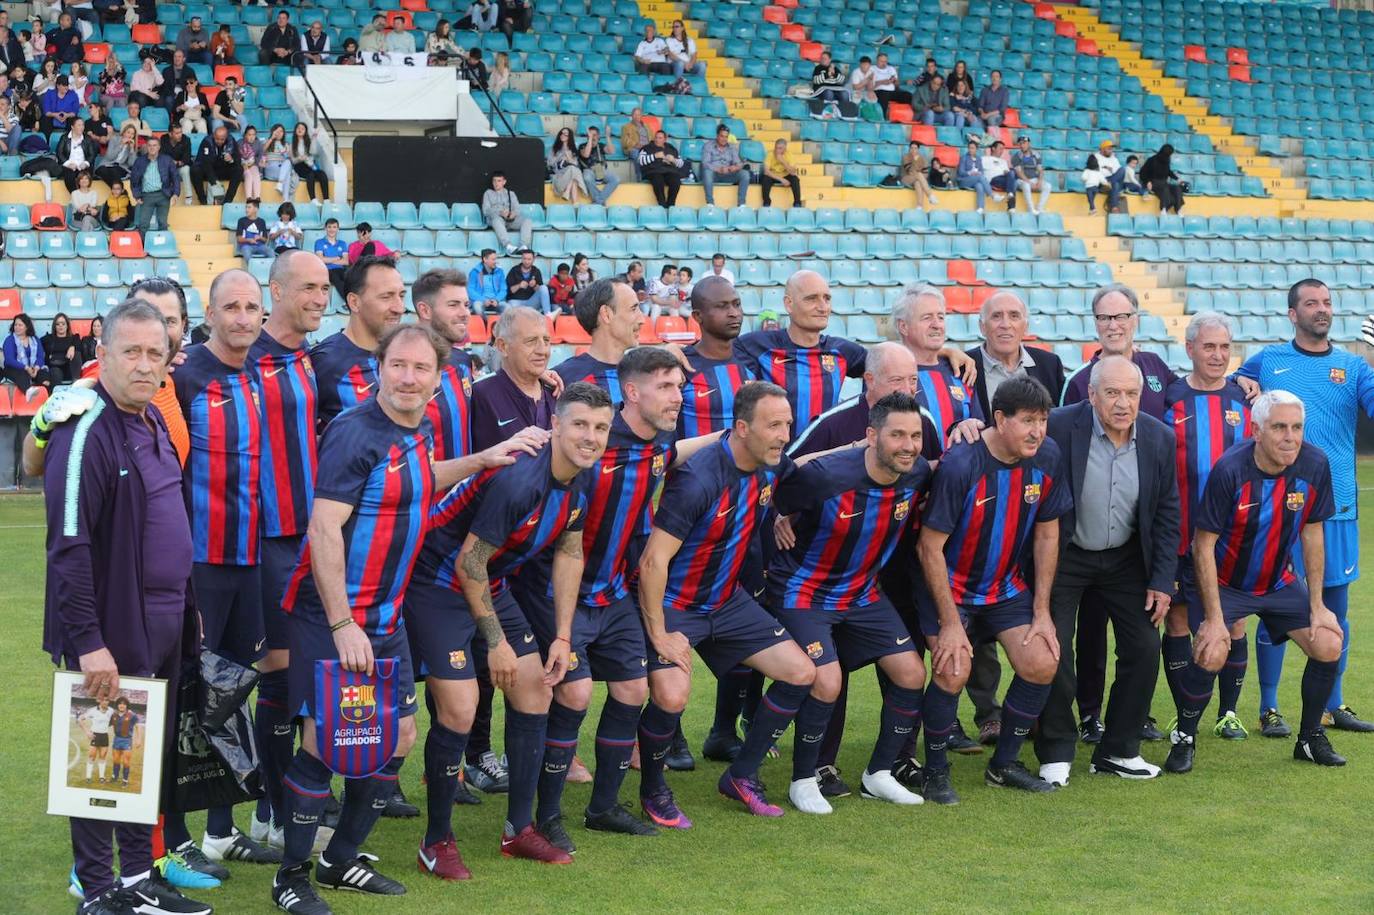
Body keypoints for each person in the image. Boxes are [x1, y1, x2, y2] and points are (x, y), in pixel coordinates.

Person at [40, 299, 212, 915]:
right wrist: (88, 640)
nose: (143, 365)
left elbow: (171, 521)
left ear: (169, 361)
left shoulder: (155, 421)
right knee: (102, 755)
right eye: (130, 352)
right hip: (113, 625)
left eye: (154, 353)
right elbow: (69, 544)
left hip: (164, 619)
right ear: (103, 355)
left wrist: (186, 606)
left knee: (144, 757)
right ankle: (97, 888)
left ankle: (138, 880)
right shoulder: (86, 427)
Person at [269, 324, 447, 912]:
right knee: (327, 742)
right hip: (333, 615)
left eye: (420, 368)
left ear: (437, 380)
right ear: (379, 368)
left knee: (396, 736)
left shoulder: (419, 429)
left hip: (386, 618)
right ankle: (291, 876)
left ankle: (340, 860)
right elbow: (323, 528)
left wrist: (484, 460)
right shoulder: (355, 431)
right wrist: (344, 623)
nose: (407, 377)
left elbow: (414, 485)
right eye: (397, 365)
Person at [410, 382, 610, 867]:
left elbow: (569, 550)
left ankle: (518, 829)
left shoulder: (584, 473)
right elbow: (468, 562)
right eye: (580, 424)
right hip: (435, 583)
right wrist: (496, 643)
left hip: (487, 583)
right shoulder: (520, 479)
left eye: (601, 428)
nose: (591, 437)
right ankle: (436, 843)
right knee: (460, 708)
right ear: (555, 424)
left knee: (535, 689)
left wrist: (562, 635)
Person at [637, 382, 818, 824]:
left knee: (800, 673)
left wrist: (857, 447)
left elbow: (810, 467)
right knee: (673, 696)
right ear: (741, 428)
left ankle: (741, 775)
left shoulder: (770, 463)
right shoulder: (698, 479)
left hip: (727, 603)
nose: (783, 434)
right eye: (773, 425)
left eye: (787, 424)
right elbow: (652, 559)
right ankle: (652, 789)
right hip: (678, 603)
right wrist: (659, 632)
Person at [162, 269, 279, 869]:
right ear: (210, 312)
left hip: (249, 559)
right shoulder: (184, 378)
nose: (241, 317)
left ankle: (220, 829)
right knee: (189, 695)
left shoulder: (260, 373)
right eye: (230, 306)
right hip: (199, 562)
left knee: (232, 693)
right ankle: (172, 835)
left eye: (251, 307)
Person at [1167, 391, 1347, 773]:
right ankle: (1185, 737)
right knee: (1213, 650)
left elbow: (1313, 533)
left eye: (1296, 427)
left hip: (1279, 583)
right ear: (1256, 431)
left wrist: (1317, 605)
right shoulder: (1230, 469)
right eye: (1279, 427)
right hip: (1225, 583)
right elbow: (1203, 545)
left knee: (1329, 642)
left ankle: (1309, 738)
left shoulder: (1315, 464)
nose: (1290, 437)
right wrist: (1214, 618)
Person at [773, 392, 933, 813]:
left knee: (912, 673)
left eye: (915, 435)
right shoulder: (826, 476)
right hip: (805, 591)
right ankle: (804, 780)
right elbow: (773, 489)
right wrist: (778, 517)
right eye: (897, 435)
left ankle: (878, 774)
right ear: (870, 436)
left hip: (862, 593)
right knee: (827, 681)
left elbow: (952, 467)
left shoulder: (916, 474)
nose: (908, 445)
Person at [916, 375, 1070, 801]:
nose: (1037, 431)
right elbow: (929, 548)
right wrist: (950, 623)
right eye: (1027, 421)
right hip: (950, 589)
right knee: (953, 668)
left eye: (1042, 420)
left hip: (1005, 589)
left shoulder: (1048, 457)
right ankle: (934, 770)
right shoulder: (962, 464)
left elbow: (1047, 535)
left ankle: (1003, 766)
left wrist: (1041, 611)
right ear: (999, 419)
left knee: (1041, 662)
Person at [1032, 356, 1181, 786]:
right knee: (1053, 647)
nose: (1123, 403)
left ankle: (1118, 750)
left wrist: (1161, 579)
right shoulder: (1059, 426)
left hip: (1126, 559)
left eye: (1131, 394)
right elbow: (1011, 435)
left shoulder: (1158, 438)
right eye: (1112, 393)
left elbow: (1168, 512)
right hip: (1064, 554)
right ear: (1092, 394)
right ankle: (1056, 749)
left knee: (1143, 648)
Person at [1241, 278, 1374, 735]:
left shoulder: (1353, 368)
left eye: (1328, 303)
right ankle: (1269, 706)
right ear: (1293, 314)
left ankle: (1333, 704)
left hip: (1335, 509)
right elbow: (1234, 387)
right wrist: (1242, 381)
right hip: (1279, 512)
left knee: (1335, 607)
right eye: (1312, 303)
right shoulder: (1268, 360)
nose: (1322, 309)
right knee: (1276, 606)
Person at [241, 250, 329, 850]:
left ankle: (297, 801)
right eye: (308, 288)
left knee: (304, 673)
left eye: (326, 288)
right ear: (275, 291)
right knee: (275, 674)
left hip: (312, 535)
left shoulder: (309, 357)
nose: (321, 297)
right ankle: (270, 812)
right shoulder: (244, 358)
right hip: (266, 537)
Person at [1159, 313, 1253, 752]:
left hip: (1232, 541)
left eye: (1224, 347)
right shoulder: (1170, 400)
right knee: (1178, 620)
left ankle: (1228, 713)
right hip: (1179, 536)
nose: (1217, 355)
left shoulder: (1244, 401)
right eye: (1209, 347)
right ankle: (1184, 715)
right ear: (1190, 348)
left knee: (1231, 622)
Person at [311, 255, 405, 431]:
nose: (399, 308)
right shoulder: (326, 362)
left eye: (401, 295)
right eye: (386, 297)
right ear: (354, 302)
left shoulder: (401, 356)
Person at [1062, 284, 1178, 420]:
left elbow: (1187, 392)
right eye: (1104, 318)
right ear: (1095, 323)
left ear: (1135, 321)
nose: (1113, 326)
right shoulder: (1078, 381)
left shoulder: (1154, 364)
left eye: (1121, 317)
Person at [894, 285, 984, 455]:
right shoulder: (889, 372)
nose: (937, 325)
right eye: (927, 318)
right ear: (903, 326)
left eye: (941, 317)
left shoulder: (960, 370)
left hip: (958, 477)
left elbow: (979, 426)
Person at [966, 291, 1065, 419]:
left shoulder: (1049, 365)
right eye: (996, 316)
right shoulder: (964, 365)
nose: (1006, 325)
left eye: (1014, 316)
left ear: (1025, 326)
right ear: (982, 327)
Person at [470, 306, 558, 450]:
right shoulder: (480, 394)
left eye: (546, 340)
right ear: (503, 346)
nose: (542, 350)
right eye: (531, 341)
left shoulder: (557, 391)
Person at [678, 277, 754, 439]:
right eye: (722, 306)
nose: (734, 313)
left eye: (737, 304)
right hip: (695, 464)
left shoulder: (753, 358)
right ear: (698, 316)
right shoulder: (681, 365)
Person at [553, 277, 645, 401]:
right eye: (633, 309)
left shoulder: (645, 373)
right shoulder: (562, 379)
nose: (642, 320)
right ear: (606, 314)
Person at [481, 170, 533, 254]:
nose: (496, 183)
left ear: (504, 182)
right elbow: (486, 211)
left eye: (499, 181)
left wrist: (513, 214)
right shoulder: (488, 193)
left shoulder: (510, 194)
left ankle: (524, 246)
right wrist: (500, 212)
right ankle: (508, 246)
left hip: (509, 220)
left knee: (527, 220)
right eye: (494, 181)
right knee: (496, 220)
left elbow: (517, 209)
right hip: (497, 220)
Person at [190, 125, 243, 205]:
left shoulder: (231, 141)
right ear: (214, 135)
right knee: (195, 170)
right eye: (217, 139)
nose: (219, 141)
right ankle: (202, 200)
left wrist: (231, 159)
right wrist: (214, 181)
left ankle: (227, 201)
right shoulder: (207, 141)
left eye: (222, 139)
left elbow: (238, 158)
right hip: (209, 170)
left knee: (239, 169)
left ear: (226, 137)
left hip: (224, 169)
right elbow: (205, 163)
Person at [4, 313, 51, 392]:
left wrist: (36, 368)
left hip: (32, 368)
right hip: (15, 369)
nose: (17, 327)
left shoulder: (35, 339)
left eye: (20, 325)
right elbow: (9, 360)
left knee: (44, 377)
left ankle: (45, 397)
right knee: (22, 375)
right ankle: (30, 394)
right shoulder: (10, 340)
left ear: (27, 327)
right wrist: (26, 368)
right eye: (15, 325)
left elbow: (40, 357)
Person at [639, 130, 685, 209]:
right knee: (658, 180)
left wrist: (673, 160)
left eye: (660, 138)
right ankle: (662, 205)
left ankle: (670, 205)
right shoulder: (647, 147)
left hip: (669, 171)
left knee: (676, 180)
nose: (657, 140)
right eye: (656, 138)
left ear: (665, 139)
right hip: (653, 171)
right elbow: (641, 161)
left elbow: (681, 163)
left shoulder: (671, 148)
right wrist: (655, 156)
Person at [289, 123, 330, 205]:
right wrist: (300, 158)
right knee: (310, 174)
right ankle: (313, 199)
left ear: (305, 131)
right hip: (299, 165)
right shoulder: (292, 144)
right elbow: (293, 160)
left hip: (310, 165)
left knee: (322, 174)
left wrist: (314, 138)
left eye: (302, 128)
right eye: (298, 128)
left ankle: (326, 200)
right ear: (295, 130)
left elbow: (313, 152)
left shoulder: (308, 142)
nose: (300, 130)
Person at [578, 125, 619, 206]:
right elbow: (586, 154)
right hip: (588, 169)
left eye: (594, 135)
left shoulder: (600, 145)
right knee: (587, 177)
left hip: (599, 169)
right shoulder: (582, 146)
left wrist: (607, 136)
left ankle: (597, 202)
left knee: (616, 179)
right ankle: (600, 201)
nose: (592, 137)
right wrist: (590, 139)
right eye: (590, 134)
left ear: (598, 136)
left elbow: (611, 151)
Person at [1011, 135, 1052, 215]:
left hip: (1034, 179)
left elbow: (1040, 170)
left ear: (1029, 143)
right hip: (1021, 180)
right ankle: (1031, 209)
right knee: (1026, 185)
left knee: (1048, 186)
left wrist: (1039, 181)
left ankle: (1039, 208)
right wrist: (1030, 183)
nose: (1022, 145)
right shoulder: (1016, 156)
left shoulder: (1036, 155)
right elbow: (1019, 173)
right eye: (1020, 144)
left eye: (1024, 143)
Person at [549, 126, 589, 205]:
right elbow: (549, 163)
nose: (562, 135)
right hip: (559, 175)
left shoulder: (573, 150)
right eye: (561, 133)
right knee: (574, 172)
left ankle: (572, 199)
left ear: (569, 137)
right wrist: (560, 156)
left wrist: (568, 157)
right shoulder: (554, 149)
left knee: (573, 170)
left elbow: (575, 165)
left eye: (565, 134)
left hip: (569, 173)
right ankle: (574, 201)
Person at [1140, 143, 1184, 214]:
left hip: (1163, 183)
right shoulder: (1152, 160)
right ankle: (1164, 209)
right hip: (1153, 183)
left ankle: (1178, 209)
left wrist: (1178, 179)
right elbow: (1142, 173)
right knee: (1165, 189)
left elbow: (1168, 171)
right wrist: (1147, 182)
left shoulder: (1166, 161)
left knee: (1177, 189)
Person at [314, 217, 350, 298]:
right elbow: (320, 259)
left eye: (334, 227)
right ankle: (348, 301)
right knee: (335, 278)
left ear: (338, 229)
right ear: (325, 228)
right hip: (327, 270)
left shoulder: (342, 243)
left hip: (341, 269)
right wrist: (337, 258)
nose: (332, 229)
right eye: (329, 227)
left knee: (351, 278)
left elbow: (346, 261)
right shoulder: (319, 242)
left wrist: (328, 259)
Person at [505, 249, 550, 314]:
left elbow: (540, 291)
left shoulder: (536, 271)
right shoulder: (514, 270)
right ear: (522, 259)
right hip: (516, 301)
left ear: (533, 260)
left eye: (529, 259)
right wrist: (519, 285)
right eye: (524, 259)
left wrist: (534, 285)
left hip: (531, 302)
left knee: (544, 288)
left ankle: (548, 315)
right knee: (511, 306)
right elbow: (509, 290)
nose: (526, 261)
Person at [761, 138, 802, 208]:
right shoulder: (770, 154)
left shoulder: (789, 155)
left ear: (785, 149)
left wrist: (783, 161)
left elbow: (792, 173)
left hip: (786, 174)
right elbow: (766, 171)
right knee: (765, 179)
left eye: (780, 148)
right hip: (773, 175)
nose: (777, 150)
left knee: (795, 179)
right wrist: (781, 180)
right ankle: (766, 203)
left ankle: (797, 203)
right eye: (776, 148)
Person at [93, 123, 137, 188]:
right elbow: (110, 157)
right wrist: (121, 145)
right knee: (102, 171)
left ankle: (117, 190)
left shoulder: (132, 145)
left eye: (132, 134)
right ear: (123, 133)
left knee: (113, 170)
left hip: (119, 167)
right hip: (106, 165)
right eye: (128, 132)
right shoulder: (114, 139)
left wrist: (132, 150)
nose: (130, 135)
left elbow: (131, 164)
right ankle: (120, 190)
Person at [42, 312, 80, 385]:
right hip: (54, 368)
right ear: (54, 326)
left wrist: (73, 347)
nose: (60, 326)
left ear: (67, 325)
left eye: (63, 323)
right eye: (58, 324)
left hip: (69, 369)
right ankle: (55, 395)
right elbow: (36, 343)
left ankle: (76, 383)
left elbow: (79, 343)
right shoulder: (48, 338)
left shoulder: (73, 339)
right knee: (55, 372)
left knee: (77, 354)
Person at [468, 248, 508, 316]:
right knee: (477, 307)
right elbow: (470, 290)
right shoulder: (475, 272)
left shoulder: (500, 272)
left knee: (508, 308)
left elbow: (503, 289)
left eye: (496, 259)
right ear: (485, 259)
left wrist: (497, 299)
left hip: (496, 301)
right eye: (493, 259)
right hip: (481, 301)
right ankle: (486, 324)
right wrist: (483, 300)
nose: (495, 261)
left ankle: (499, 325)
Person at [957, 138, 993, 213]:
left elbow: (981, 171)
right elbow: (961, 172)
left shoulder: (978, 159)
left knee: (979, 185)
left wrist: (979, 173)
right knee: (980, 177)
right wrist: (970, 172)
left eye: (972, 148)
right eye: (969, 148)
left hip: (975, 180)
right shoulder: (964, 158)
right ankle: (991, 194)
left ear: (976, 149)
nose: (970, 150)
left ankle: (980, 208)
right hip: (964, 181)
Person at [871, 52, 911, 117]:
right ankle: (883, 117)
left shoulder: (891, 69)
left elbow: (897, 84)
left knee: (907, 95)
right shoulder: (872, 69)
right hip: (878, 91)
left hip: (892, 91)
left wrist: (895, 81)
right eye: (881, 61)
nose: (884, 63)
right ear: (877, 60)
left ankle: (905, 116)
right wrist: (882, 82)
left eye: (885, 61)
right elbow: (869, 86)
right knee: (884, 94)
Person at [899, 141, 937, 210]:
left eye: (915, 148)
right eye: (912, 148)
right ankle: (930, 195)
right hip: (906, 179)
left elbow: (926, 172)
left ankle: (919, 206)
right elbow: (910, 171)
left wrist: (920, 177)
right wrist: (915, 161)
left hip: (916, 179)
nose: (913, 150)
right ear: (909, 149)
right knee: (919, 175)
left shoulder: (922, 158)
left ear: (918, 149)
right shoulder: (906, 157)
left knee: (918, 182)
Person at [982, 140, 1017, 210]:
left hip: (1004, 180)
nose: (1002, 151)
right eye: (1000, 148)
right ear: (993, 148)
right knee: (1013, 181)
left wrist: (1007, 173)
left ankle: (1010, 198)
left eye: (1003, 149)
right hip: (993, 180)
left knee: (1012, 173)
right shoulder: (984, 159)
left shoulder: (1004, 161)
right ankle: (1011, 205)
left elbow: (1008, 173)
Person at [44, 74, 82, 138]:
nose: (66, 88)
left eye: (67, 85)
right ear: (58, 86)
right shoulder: (49, 93)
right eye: (64, 86)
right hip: (52, 116)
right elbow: (46, 112)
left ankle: (69, 142)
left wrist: (66, 115)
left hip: (68, 117)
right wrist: (55, 115)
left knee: (74, 120)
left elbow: (75, 112)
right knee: (44, 120)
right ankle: (46, 141)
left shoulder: (73, 94)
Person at [620, 107, 651, 179]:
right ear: (632, 116)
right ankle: (640, 177)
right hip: (634, 148)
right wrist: (636, 145)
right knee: (637, 154)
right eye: (635, 114)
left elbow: (651, 138)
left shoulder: (647, 126)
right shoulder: (626, 127)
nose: (637, 116)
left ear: (641, 116)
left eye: (639, 114)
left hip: (646, 148)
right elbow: (625, 140)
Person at [238, 125, 263, 201]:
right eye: (249, 135)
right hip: (242, 166)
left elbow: (260, 156)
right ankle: (248, 198)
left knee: (255, 173)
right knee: (248, 174)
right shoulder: (239, 143)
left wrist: (255, 162)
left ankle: (257, 197)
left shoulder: (258, 143)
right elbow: (236, 157)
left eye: (253, 135)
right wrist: (243, 164)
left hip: (253, 165)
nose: (252, 137)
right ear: (245, 135)